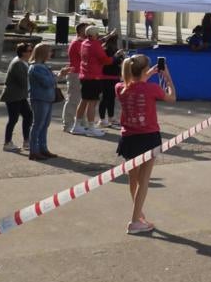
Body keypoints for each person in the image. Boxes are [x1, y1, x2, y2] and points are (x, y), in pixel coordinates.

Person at [116, 53, 176, 234]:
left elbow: (134, 84)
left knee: (133, 178)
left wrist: (147, 73)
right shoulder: (152, 89)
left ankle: (138, 212)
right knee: (144, 181)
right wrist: (168, 77)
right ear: (142, 70)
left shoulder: (120, 87)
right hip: (148, 137)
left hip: (128, 138)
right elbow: (172, 97)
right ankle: (135, 221)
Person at [75, 27, 111, 138]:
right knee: (92, 102)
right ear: (95, 34)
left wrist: (107, 37)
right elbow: (105, 60)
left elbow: (97, 43)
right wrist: (114, 58)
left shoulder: (84, 42)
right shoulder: (95, 45)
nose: (98, 36)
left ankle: (77, 125)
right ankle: (91, 127)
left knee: (84, 101)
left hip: (84, 75)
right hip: (93, 77)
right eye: (98, 34)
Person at [0, 41, 33, 151]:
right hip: (13, 96)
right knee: (13, 119)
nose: (31, 52)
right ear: (23, 53)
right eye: (29, 51)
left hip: (20, 95)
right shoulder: (17, 64)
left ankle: (26, 141)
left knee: (28, 116)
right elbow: (23, 81)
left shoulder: (24, 62)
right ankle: (7, 143)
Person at [27, 43, 59, 161]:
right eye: (49, 51)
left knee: (44, 125)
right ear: (43, 53)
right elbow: (47, 83)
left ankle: (43, 148)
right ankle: (34, 151)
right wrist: (57, 76)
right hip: (40, 99)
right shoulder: (36, 67)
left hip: (46, 98)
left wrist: (58, 75)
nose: (51, 53)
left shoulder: (43, 66)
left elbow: (50, 80)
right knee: (38, 125)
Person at [61, 22, 88, 133]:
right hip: (75, 73)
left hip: (80, 73)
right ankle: (68, 123)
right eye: (87, 30)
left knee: (80, 99)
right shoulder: (77, 42)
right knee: (73, 99)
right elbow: (86, 55)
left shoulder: (81, 42)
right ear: (81, 31)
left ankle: (80, 122)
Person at [97, 31, 124, 130]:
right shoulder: (105, 50)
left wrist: (121, 57)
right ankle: (103, 119)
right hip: (106, 77)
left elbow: (121, 62)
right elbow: (108, 62)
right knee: (106, 98)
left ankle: (110, 118)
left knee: (110, 98)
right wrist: (117, 56)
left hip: (112, 77)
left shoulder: (114, 50)